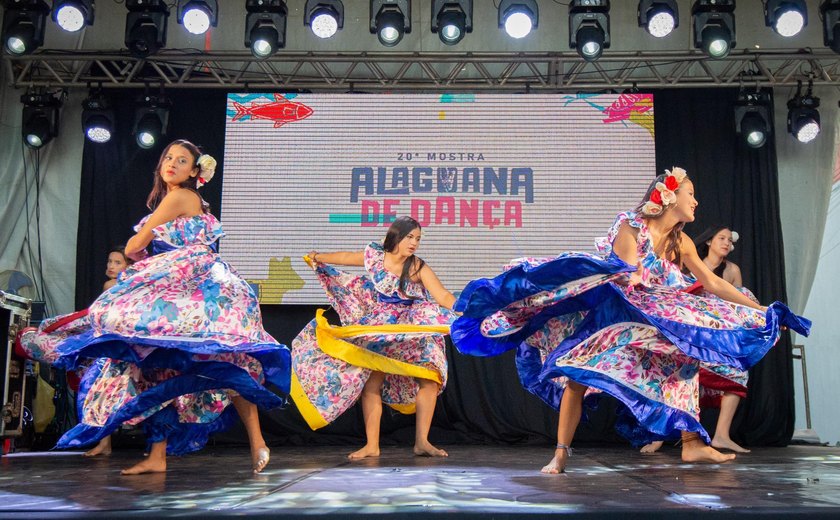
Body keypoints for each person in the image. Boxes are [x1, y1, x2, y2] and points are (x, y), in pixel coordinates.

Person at [451, 167, 810, 474]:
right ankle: (561, 453)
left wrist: (760, 310)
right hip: (613, 317)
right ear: (668, 197)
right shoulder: (631, 226)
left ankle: (690, 442)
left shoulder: (681, 241)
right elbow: (625, 269)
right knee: (576, 376)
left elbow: (713, 282)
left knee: (685, 354)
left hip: (652, 315)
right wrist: (636, 273)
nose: (696, 201)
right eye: (690, 193)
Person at [17, 139, 290, 475]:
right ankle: (168, 454)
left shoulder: (178, 197)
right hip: (192, 292)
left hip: (186, 293)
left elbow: (135, 244)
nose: (172, 164)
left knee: (203, 361)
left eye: (183, 160)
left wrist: (142, 249)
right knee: (165, 368)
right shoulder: (191, 201)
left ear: (194, 171)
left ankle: (254, 442)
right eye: (168, 158)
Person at [293, 216, 457, 460]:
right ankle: (372, 445)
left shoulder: (417, 267)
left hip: (411, 324)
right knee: (372, 381)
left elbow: (442, 295)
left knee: (430, 378)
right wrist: (319, 257)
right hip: (381, 325)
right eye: (409, 237)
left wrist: (465, 310)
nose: (414, 243)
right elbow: (347, 257)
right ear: (396, 237)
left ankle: (422, 441)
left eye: (418, 239)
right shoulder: (376, 257)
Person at [81, 246, 134, 457]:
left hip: (119, 346)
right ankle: (105, 443)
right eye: (109, 261)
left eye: (117, 262)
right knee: (107, 393)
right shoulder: (122, 285)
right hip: (122, 345)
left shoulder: (114, 286)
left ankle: (106, 444)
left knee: (106, 392)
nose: (111, 266)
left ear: (129, 266)